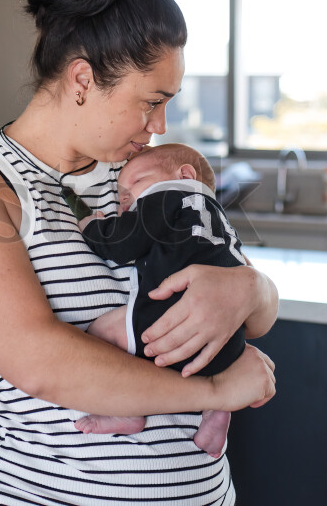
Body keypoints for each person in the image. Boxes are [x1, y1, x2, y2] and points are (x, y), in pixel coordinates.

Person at [0, 0, 278, 506]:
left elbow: (250, 304)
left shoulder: (142, 176)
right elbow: (39, 362)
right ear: (83, 79)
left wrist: (251, 287)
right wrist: (211, 390)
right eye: (151, 102)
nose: (159, 125)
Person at [73, 143, 248, 460]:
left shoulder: (169, 196)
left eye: (135, 184)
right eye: (120, 195)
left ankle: (126, 410)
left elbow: (122, 243)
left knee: (99, 333)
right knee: (214, 366)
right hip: (227, 341)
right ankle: (218, 410)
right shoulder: (218, 217)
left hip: (169, 326)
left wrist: (91, 226)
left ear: (183, 175)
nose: (125, 200)